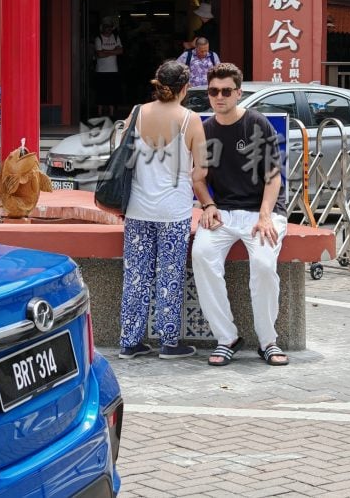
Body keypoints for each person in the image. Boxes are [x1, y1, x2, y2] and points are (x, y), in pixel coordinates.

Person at [192, 62, 289, 367]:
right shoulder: (204, 130)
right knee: (202, 254)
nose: (218, 97)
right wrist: (207, 205)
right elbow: (198, 178)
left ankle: (267, 340)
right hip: (222, 213)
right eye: (213, 91)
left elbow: (273, 177)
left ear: (238, 92)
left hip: (262, 210)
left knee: (262, 264)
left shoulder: (257, 124)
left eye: (225, 91)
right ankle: (226, 337)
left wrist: (264, 216)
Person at [118, 61, 207, 361]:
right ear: (185, 88)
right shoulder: (190, 120)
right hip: (174, 212)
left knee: (136, 276)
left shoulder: (136, 113)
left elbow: (122, 154)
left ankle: (130, 342)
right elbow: (201, 171)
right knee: (170, 275)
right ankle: (169, 342)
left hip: (137, 209)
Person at [94, 17, 122, 118]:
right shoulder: (98, 38)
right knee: (101, 92)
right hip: (101, 70)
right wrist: (113, 51)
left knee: (112, 91)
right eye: (106, 27)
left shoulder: (116, 37)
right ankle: (100, 112)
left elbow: (120, 51)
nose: (109, 29)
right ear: (103, 28)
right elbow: (99, 54)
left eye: (110, 27)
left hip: (113, 70)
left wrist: (105, 51)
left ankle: (111, 112)